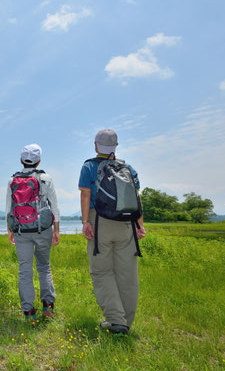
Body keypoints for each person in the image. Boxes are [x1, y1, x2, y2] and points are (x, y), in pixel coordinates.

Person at [78, 129, 146, 335]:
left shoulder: (89, 166)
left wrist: (85, 221)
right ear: (116, 146)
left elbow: (85, 195)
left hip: (101, 223)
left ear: (96, 145)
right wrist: (139, 225)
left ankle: (116, 321)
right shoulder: (128, 168)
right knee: (127, 274)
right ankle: (126, 321)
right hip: (126, 224)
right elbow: (136, 198)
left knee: (101, 272)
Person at [6, 143, 60, 323]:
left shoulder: (12, 180)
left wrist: (10, 230)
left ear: (21, 160)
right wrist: (56, 230)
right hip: (43, 229)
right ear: (39, 161)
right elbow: (55, 207)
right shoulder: (46, 179)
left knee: (25, 270)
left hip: (21, 230)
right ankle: (48, 308)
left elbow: (8, 208)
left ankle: (29, 313)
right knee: (44, 267)